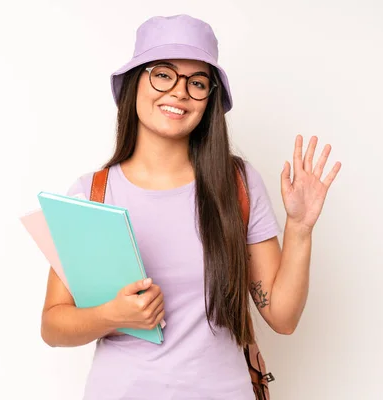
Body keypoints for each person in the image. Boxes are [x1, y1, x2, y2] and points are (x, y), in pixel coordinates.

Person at [40, 14, 341, 400]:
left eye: (197, 83)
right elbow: (53, 325)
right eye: (163, 74)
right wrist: (112, 315)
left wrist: (299, 228)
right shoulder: (92, 194)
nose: (180, 92)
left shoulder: (237, 184)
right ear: (135, 83)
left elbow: (282, 318)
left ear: (209, 100)